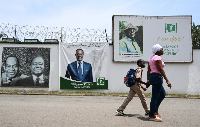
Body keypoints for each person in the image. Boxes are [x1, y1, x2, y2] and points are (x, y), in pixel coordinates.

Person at [147, 44, 172, 121]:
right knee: (155, 97)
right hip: (157, 77)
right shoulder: (157, 58)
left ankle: (154, 111)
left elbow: (149, 70)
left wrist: (148, 79)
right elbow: (161, 70)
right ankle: (151, 115)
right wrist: (167, 80)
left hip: (152, 77)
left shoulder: (151, 58)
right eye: (161, 49)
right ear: (158, 50)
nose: (162, 50)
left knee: (162, 94)